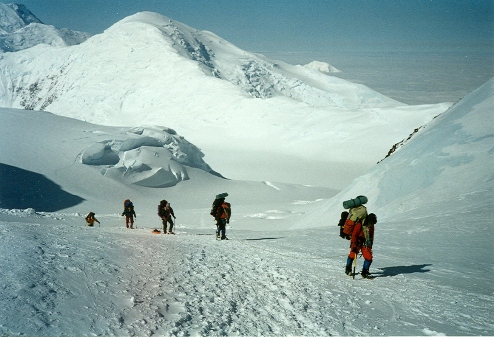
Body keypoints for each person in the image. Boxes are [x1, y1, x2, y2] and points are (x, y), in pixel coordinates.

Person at [345, 213, 377, 278]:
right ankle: (348, 269)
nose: (370, 225)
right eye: (370, 223)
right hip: (357, 242)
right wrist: (353, 245)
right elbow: (354, 235)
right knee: (352, 255)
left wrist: (370, 245)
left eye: (372, 224)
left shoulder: (371, 226)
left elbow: (371, 236)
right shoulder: (359, 224)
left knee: (369, 257)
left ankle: (365, 272)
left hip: (366, 243)